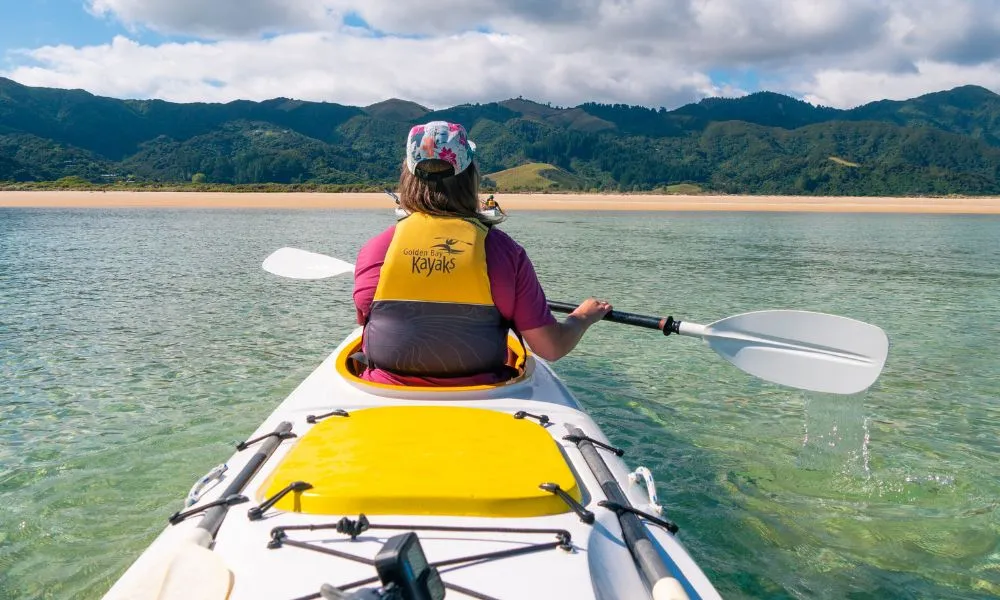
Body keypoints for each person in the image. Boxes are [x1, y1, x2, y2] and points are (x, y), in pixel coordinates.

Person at [353, 121, 611, 386]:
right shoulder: (506, 253)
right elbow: (551, 348)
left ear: (408, 175)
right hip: (484, 393)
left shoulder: (374, 250)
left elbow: (369, 320)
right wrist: (582, 318)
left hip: (383, 390)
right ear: (470, 175)